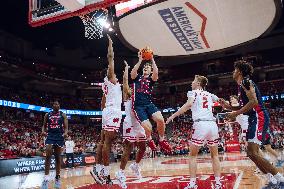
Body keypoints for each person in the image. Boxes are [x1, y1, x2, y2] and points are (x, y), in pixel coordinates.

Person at [219, 60, 284, 187]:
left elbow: (254, 102)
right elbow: (245, 106)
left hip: (259, 116)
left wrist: (236, 114)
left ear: (240, 71)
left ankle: (280, 179)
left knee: (254, 152)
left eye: (235, 69)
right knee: (250, 153)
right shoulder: (241, 85)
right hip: (253, 118)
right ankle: (272, 180)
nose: (233, 72)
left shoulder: (246, 81)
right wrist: (227, 106)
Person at [166, 75, 222, 189]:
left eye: (193, 81)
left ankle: (192, 183)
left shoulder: (193, 92)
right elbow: (222, 103)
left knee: (192, 156)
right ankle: (218, 183)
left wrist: (173, 115)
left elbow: (189, 104)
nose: (191, 83)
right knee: (215, 156)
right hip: (212, 124)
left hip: (200, 124)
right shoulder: (210, 95)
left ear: (198, 84)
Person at [90, 34, 122, 185]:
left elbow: (102, 103)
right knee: (108, 141)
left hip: (108, 111)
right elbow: (110, 57)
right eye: (114, 74)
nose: (116, 75)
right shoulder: (110, 79)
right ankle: (104, 172)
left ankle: (97, 168)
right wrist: (110, 43)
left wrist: (104, 113)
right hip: (112, 111)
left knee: (104, 141)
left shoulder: (107, 87)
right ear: (109, 76)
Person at [130, 51, 171, 152]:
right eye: (144, 67)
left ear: (150, 71)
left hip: (148, 104)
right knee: (148, 128)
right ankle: (149, 140)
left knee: (161, 120)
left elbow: (156, 72)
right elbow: (132, 72)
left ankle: (161, 140)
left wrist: (152, 59)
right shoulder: (137, 78)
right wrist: (140, 60)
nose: (145, 68)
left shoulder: (151, 80)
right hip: (138, 107)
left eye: (148, 68)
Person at [115, 61, 147, 189]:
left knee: (143, 147)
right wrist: (127, 70)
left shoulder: (141, 94)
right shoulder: (128, 94)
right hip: (129, 123)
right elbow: (125, 83)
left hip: (139, 123)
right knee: (128, 148)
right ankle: (120, 173)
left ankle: (135, 165)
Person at [41, 101, 68, 189]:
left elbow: (66, 127)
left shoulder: (63, 114)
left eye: (58, 104)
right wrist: (43, 131)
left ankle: (57, 177)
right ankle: (46, 178)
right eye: (55, 104)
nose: (57, 105)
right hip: (50, 135)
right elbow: (44, 126)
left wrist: (66, 133)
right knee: (48, 154)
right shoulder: (47, 115)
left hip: (59, 136)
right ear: (52, 106)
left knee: (57, 157)